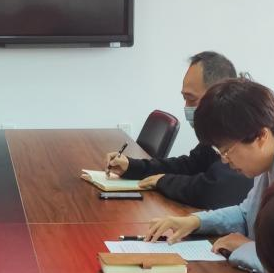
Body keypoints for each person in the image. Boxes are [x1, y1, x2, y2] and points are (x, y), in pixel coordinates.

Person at [145, 78, 274, 271]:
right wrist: (196, 221)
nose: (224, 160)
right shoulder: (269, 158)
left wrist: (247, 248)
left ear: (261, 136)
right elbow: (246, 214)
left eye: (227, 151)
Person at [103, 51, 252, 210]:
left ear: (219, 94)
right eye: (184, 98)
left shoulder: (243, 133)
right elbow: (189, 166)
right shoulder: (214, 135)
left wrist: (163, 181)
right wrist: (133, 167)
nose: (186, 107)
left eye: (191, 99)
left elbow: (213, 190)